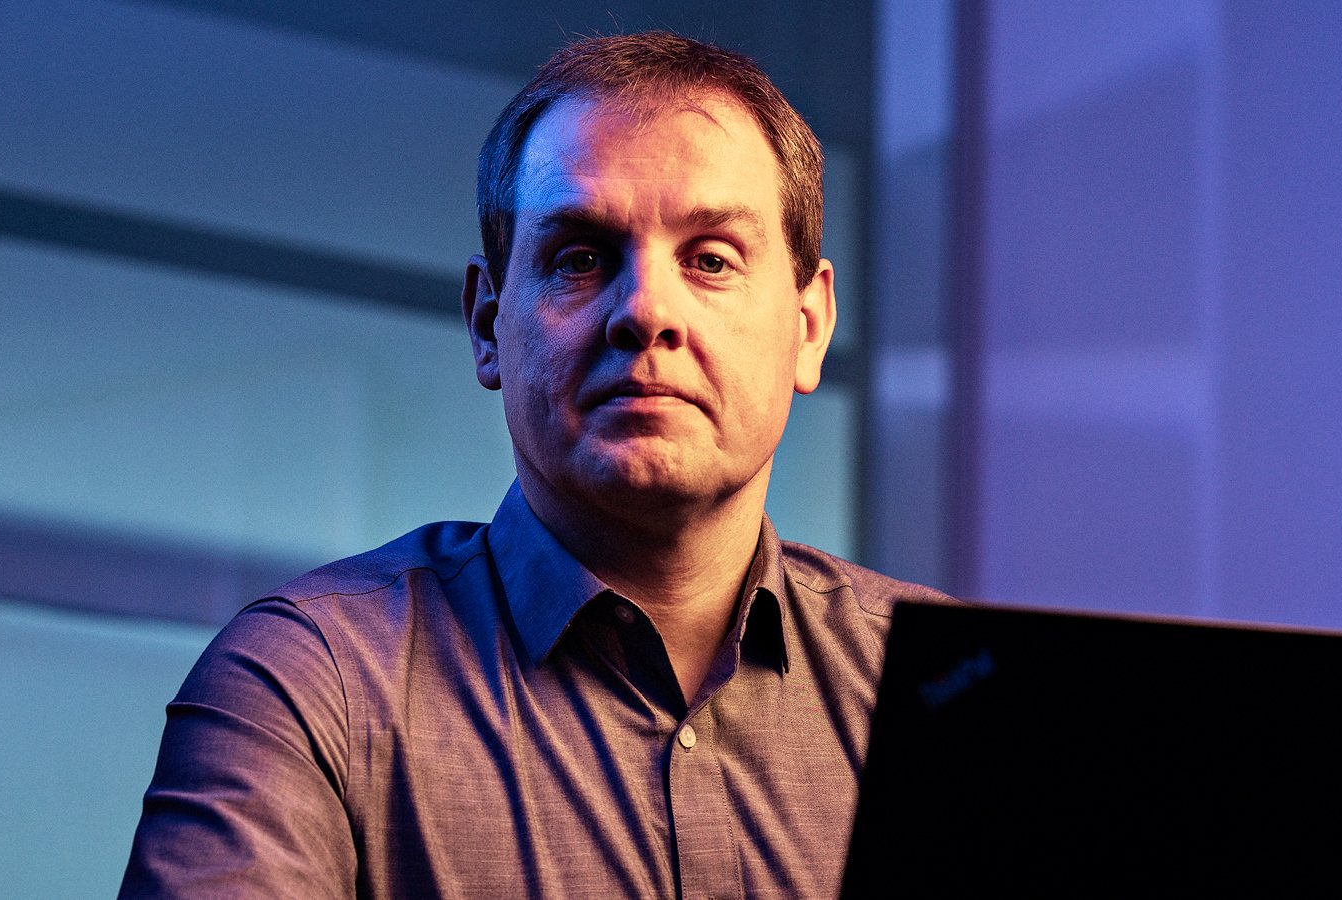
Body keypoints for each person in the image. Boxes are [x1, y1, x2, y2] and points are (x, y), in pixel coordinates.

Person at [119, 30, 951, 900]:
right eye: (580, 258)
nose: (645, 312)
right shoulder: (309, 684)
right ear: (486, 324)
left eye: (710, 259)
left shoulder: (953, 695)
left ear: (810, 327)